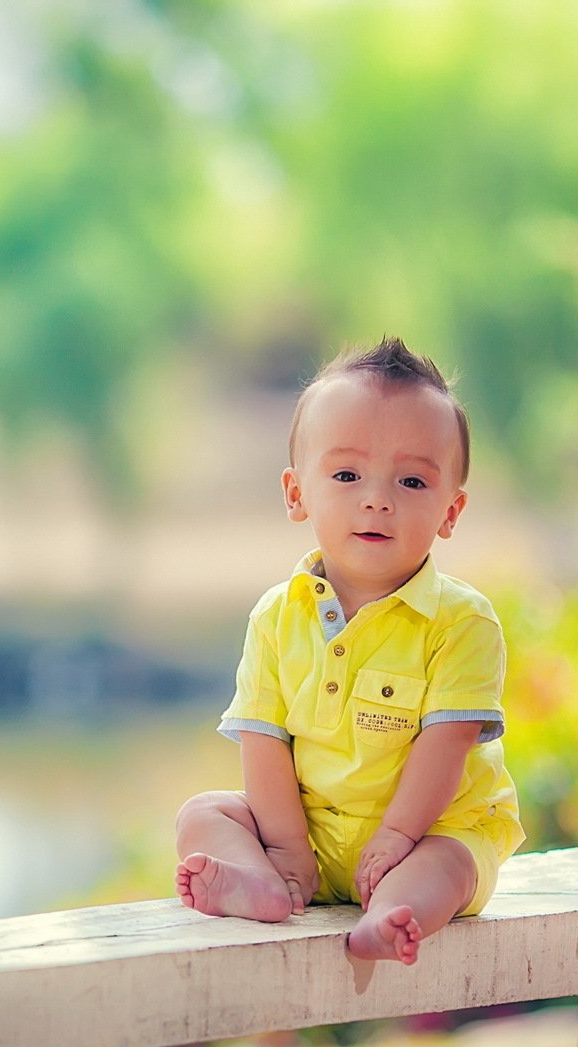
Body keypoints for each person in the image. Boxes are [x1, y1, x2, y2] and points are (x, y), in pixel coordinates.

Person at [174, 336, 525, 965]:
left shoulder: (460, 621)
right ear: (296, 493)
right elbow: (265, 740)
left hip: (424, 834)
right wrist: (286, 851)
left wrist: (397, 836)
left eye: (412, 480)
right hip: (307, 841)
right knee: (202, 815)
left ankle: (392, 918)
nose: (377, 498)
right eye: (346, 475)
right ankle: (261, 886)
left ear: (452, 510)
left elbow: (445, 748)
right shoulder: (277, 617)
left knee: (451, 864)